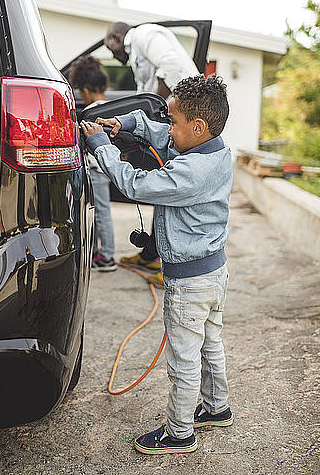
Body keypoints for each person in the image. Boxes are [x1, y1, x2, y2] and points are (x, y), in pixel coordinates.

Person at [81, 75, 233, 455]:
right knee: (210, 344)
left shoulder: (188, 173)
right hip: (213, 274)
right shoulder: (213, 151)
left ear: (197, 127)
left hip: (189, 284)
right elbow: (165, 136)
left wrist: (102, 146)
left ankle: (179, 433)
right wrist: (128, 123)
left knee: (183, 359)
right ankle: (216, 408)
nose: (168, 126)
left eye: (174, 120)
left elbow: (134, 185)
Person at [105, 22, 200, 283]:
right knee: (163, 191)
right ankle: (151, 254)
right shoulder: (137, 50)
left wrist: (156, 112)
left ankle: (171, 265)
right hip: (172, 119)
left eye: (109, 48)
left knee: (173, 192)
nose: (113, 56)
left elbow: (171, 67)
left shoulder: (146, 34)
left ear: (115, 37)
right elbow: (141, 93)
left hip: (185, 120)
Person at [69, 55, 117, 272]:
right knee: (99, 211)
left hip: (96, 169)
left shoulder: (93, 112)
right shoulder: (111, 107)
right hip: (106, 167)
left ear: (86, 89)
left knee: (101, 212)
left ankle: (107, 256)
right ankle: (99, 252)